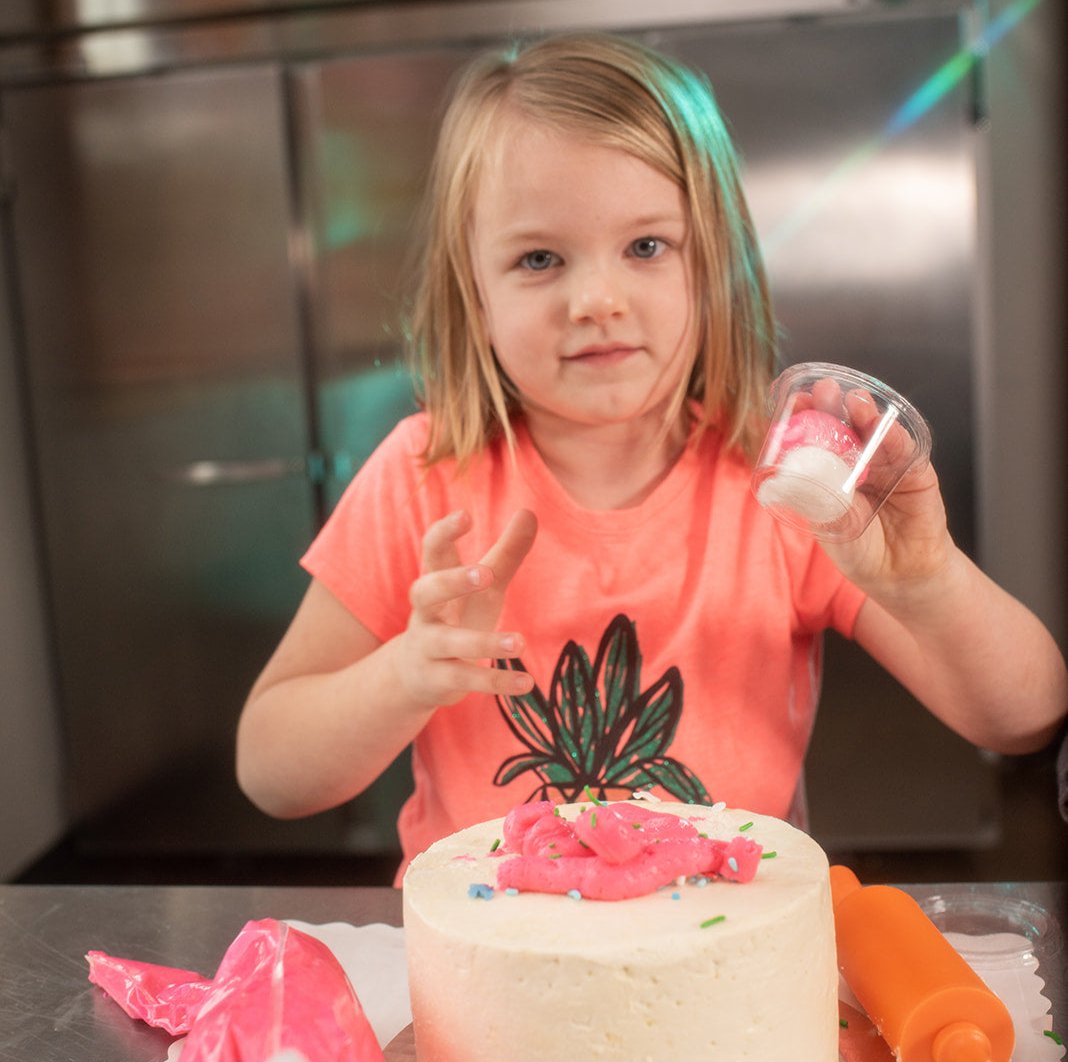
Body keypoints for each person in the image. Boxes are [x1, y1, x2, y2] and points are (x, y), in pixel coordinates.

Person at [235, 32, 1068, 880]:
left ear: (713, 266)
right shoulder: (422, 478)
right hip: (489, 984)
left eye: (645, 247)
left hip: (720, 965)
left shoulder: (779, 486)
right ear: (472, 292)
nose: (596, 301)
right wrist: (403, 677)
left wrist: (928, 585)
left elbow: (1026, 717)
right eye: (538, 259)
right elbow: (270, 769)